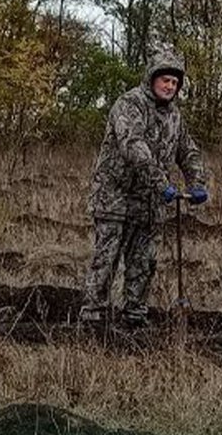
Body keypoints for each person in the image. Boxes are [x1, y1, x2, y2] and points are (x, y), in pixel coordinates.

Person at [81, 47, 208, 327]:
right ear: (152, 78)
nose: (170, 86)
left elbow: (188, 151)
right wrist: (162, 182)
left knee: (143, 262)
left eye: (175, 83)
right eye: (165, 80)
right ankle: (93, 316)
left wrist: (197, 182)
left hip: (149, 204)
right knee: (107, 259)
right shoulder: (129, 104)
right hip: (115, 197)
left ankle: (134, 315)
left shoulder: (174, 116)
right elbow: (133, 147)